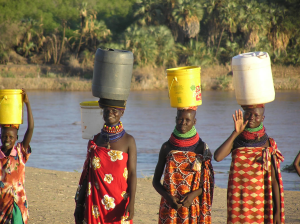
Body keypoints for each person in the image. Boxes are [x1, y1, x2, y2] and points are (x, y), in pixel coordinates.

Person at [214, 105, 284, 224]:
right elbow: (217, 157)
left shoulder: (268, 143)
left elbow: (274, 180)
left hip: (260, 200)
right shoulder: (236, 140)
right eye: (248, 113)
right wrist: (235, 133)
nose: (251, 118)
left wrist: (277, 211)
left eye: (256, 115)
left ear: (263, 118)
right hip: (237, 199)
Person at [74, 98, 137, 224]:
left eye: (114, 110)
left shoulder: (129, 141)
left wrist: (132, 203)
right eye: (106, 110)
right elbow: (86, 174)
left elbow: (132, 174)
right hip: (95, 204)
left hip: (119, 203)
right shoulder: (95, 141)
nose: (110, 113)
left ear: (122, 113)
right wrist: (80, 204)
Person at [152, 107, 214, 224]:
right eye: (180, 119)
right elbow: (155, 182)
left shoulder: (201, 148)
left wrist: (192, 195)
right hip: (169, 205)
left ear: (194, 121)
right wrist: (168, 198)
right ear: (176, 119)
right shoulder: (166, 147)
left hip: (192, 205)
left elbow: (208, 183)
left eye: (187, 120)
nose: (183, 123)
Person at [0, 89, 34, 224]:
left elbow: (30, 128)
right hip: (1, 206)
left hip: (17, 204)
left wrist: (27, 103)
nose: (7, 139)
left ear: (16, 138)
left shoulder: (20, 152)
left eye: (11, 137)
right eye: (4, 136)